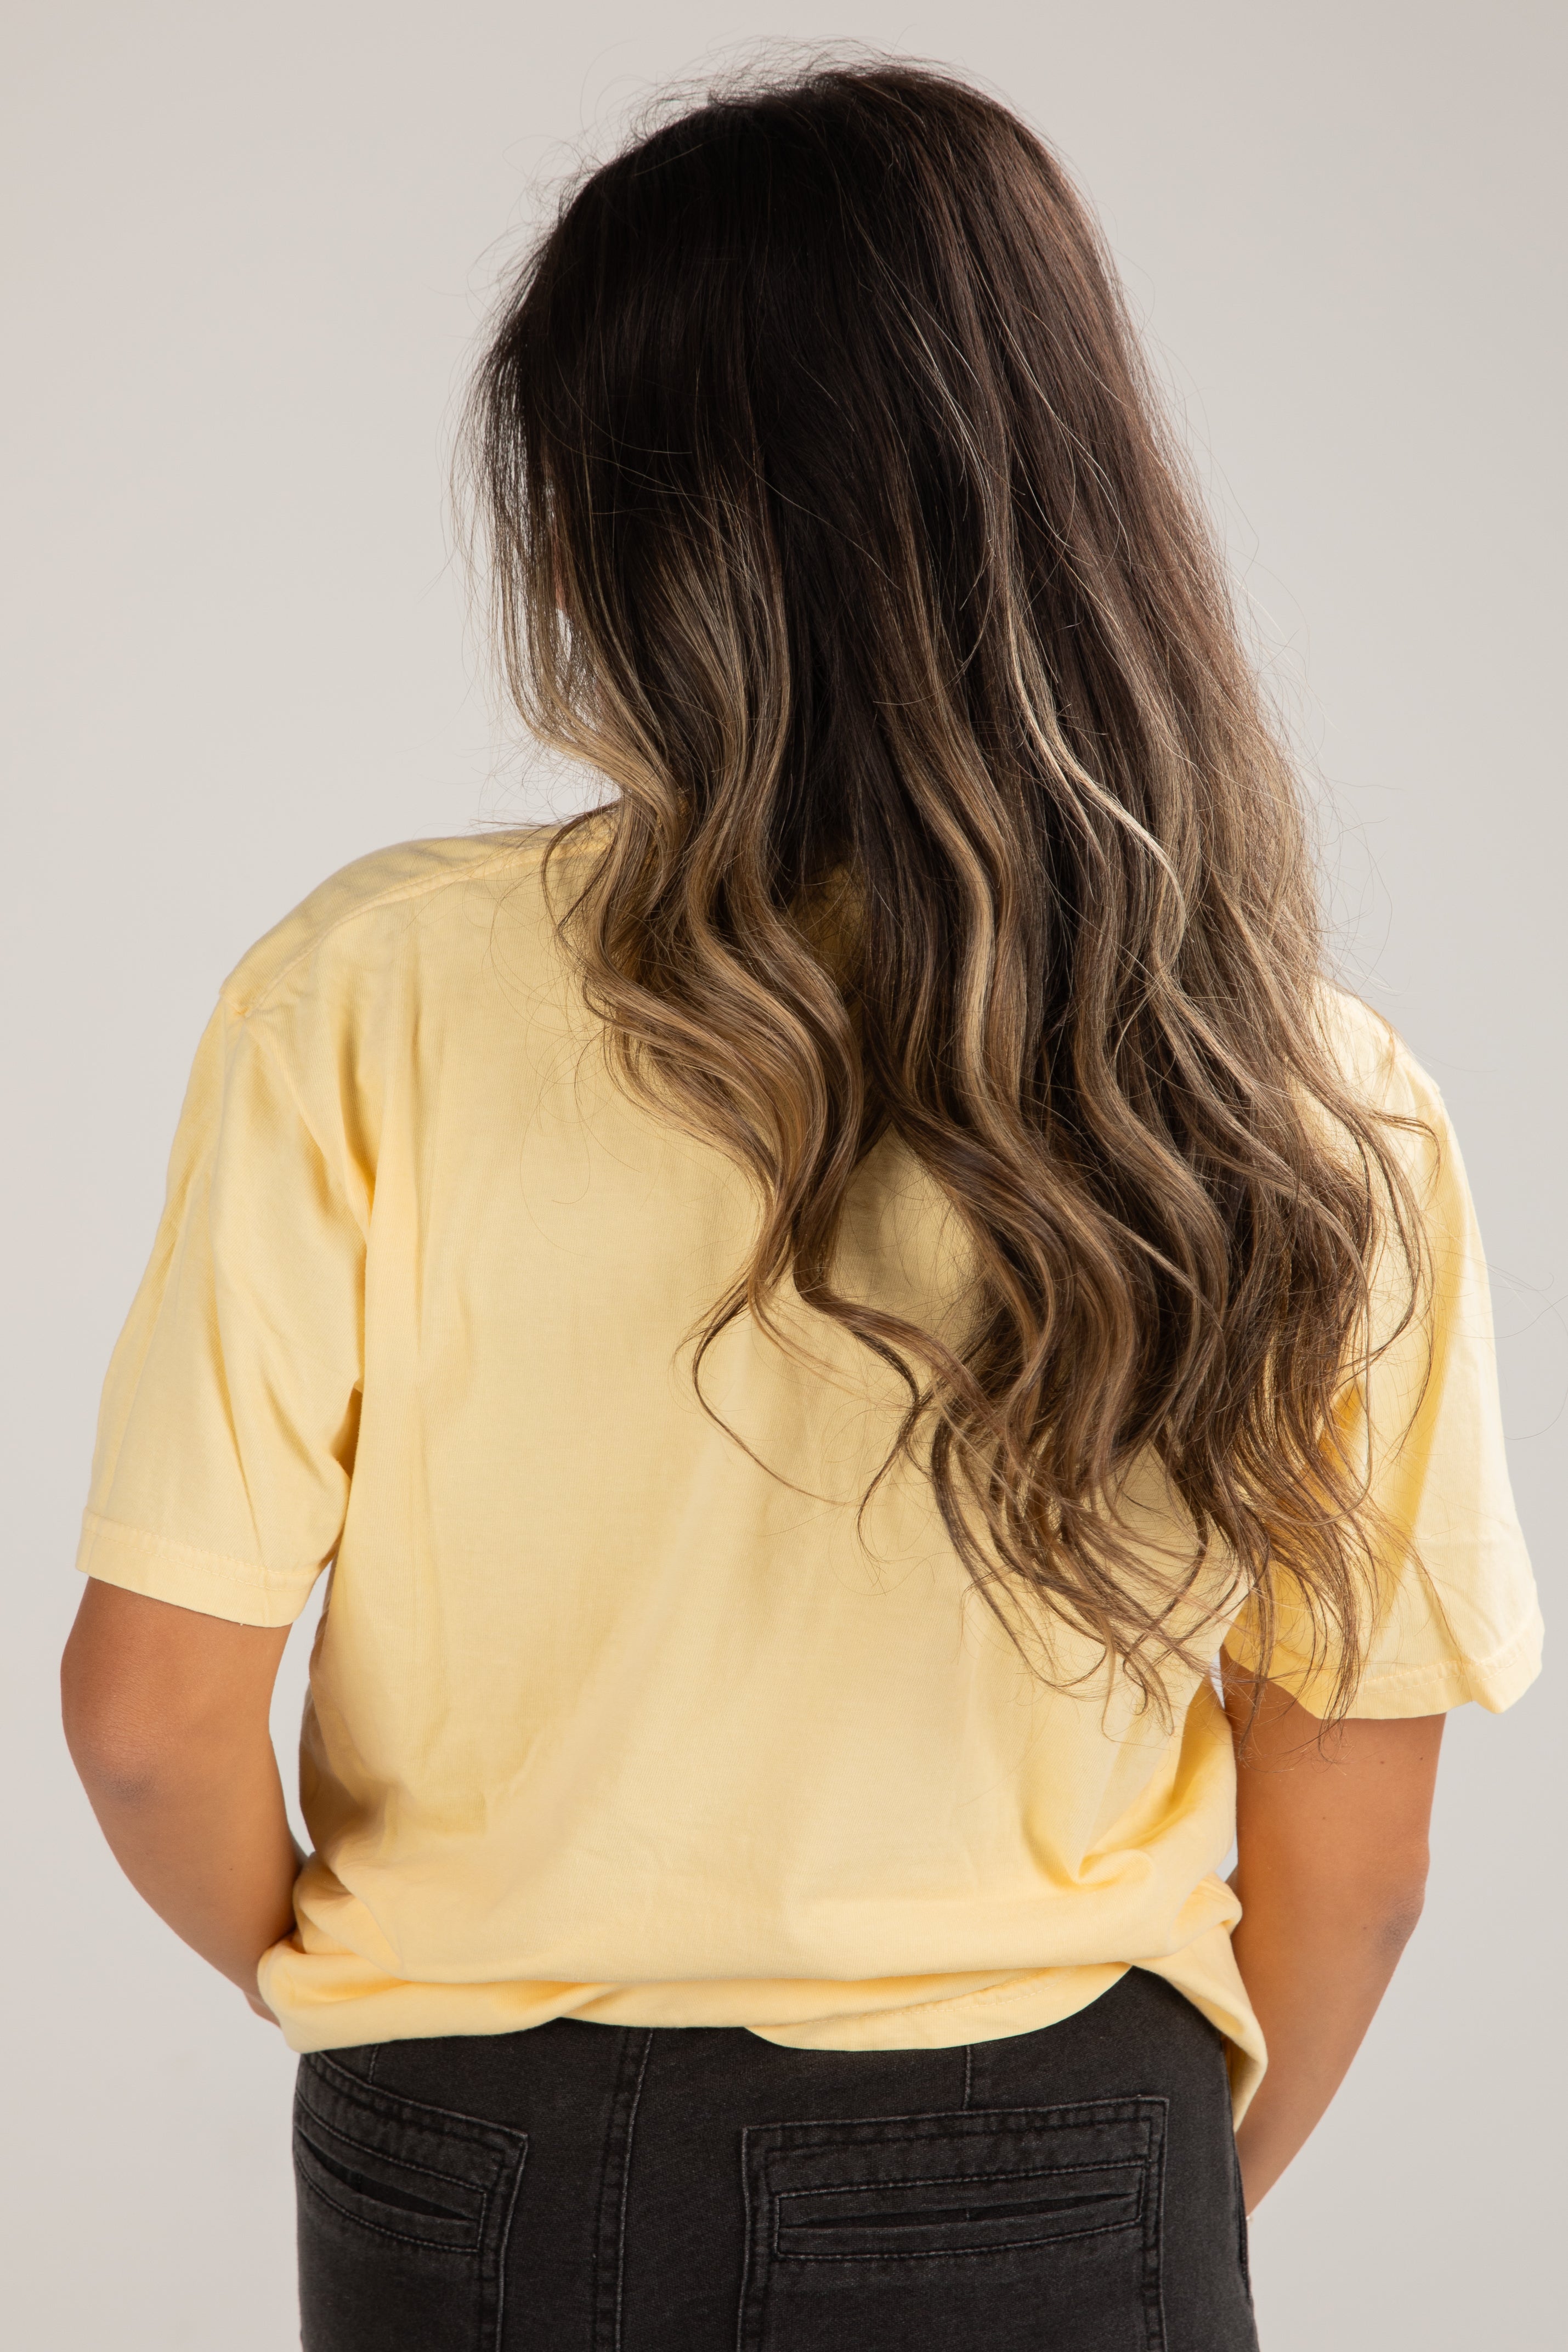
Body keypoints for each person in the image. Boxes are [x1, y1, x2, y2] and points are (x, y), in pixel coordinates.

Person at [60, 58, 1539, 2352]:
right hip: (1056, 2142)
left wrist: (389, 2004)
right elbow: (1357, 1861)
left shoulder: (365, 997)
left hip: (474, 2150)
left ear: (605, 527)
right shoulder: (1316, 1105)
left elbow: (151, 1720)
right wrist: (1136, 2201)